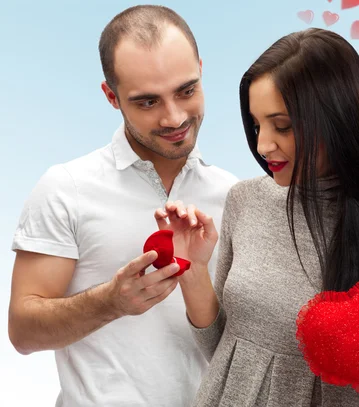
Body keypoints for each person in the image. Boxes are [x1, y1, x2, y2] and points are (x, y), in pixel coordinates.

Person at [156, 28, 359, 406]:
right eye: (256, 125)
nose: (264, 145)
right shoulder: (245, 199)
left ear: (337, 119)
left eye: (282, 125)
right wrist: (195, 272)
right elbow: (222, 351)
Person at [8, 5, 237, 407]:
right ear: (111, 97)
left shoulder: (236, 196)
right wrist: (110, 301)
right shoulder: (66, 189)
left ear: (201, 69)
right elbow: (23, 332)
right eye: (147, 102)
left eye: (187, 90)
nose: (175, 117)